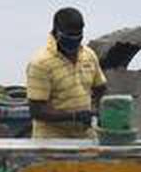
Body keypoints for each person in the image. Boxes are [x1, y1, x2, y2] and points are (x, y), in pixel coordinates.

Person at [26, 7, 107, 140]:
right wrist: (74, 116)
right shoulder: (41, 63)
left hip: (85, 138)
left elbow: (100, 88)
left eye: (78, 36)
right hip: (51, 142)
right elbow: (37, 111)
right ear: (57, 32)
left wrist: (100, 111)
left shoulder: (89, 55)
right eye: (69, 36)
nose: (74, 40)